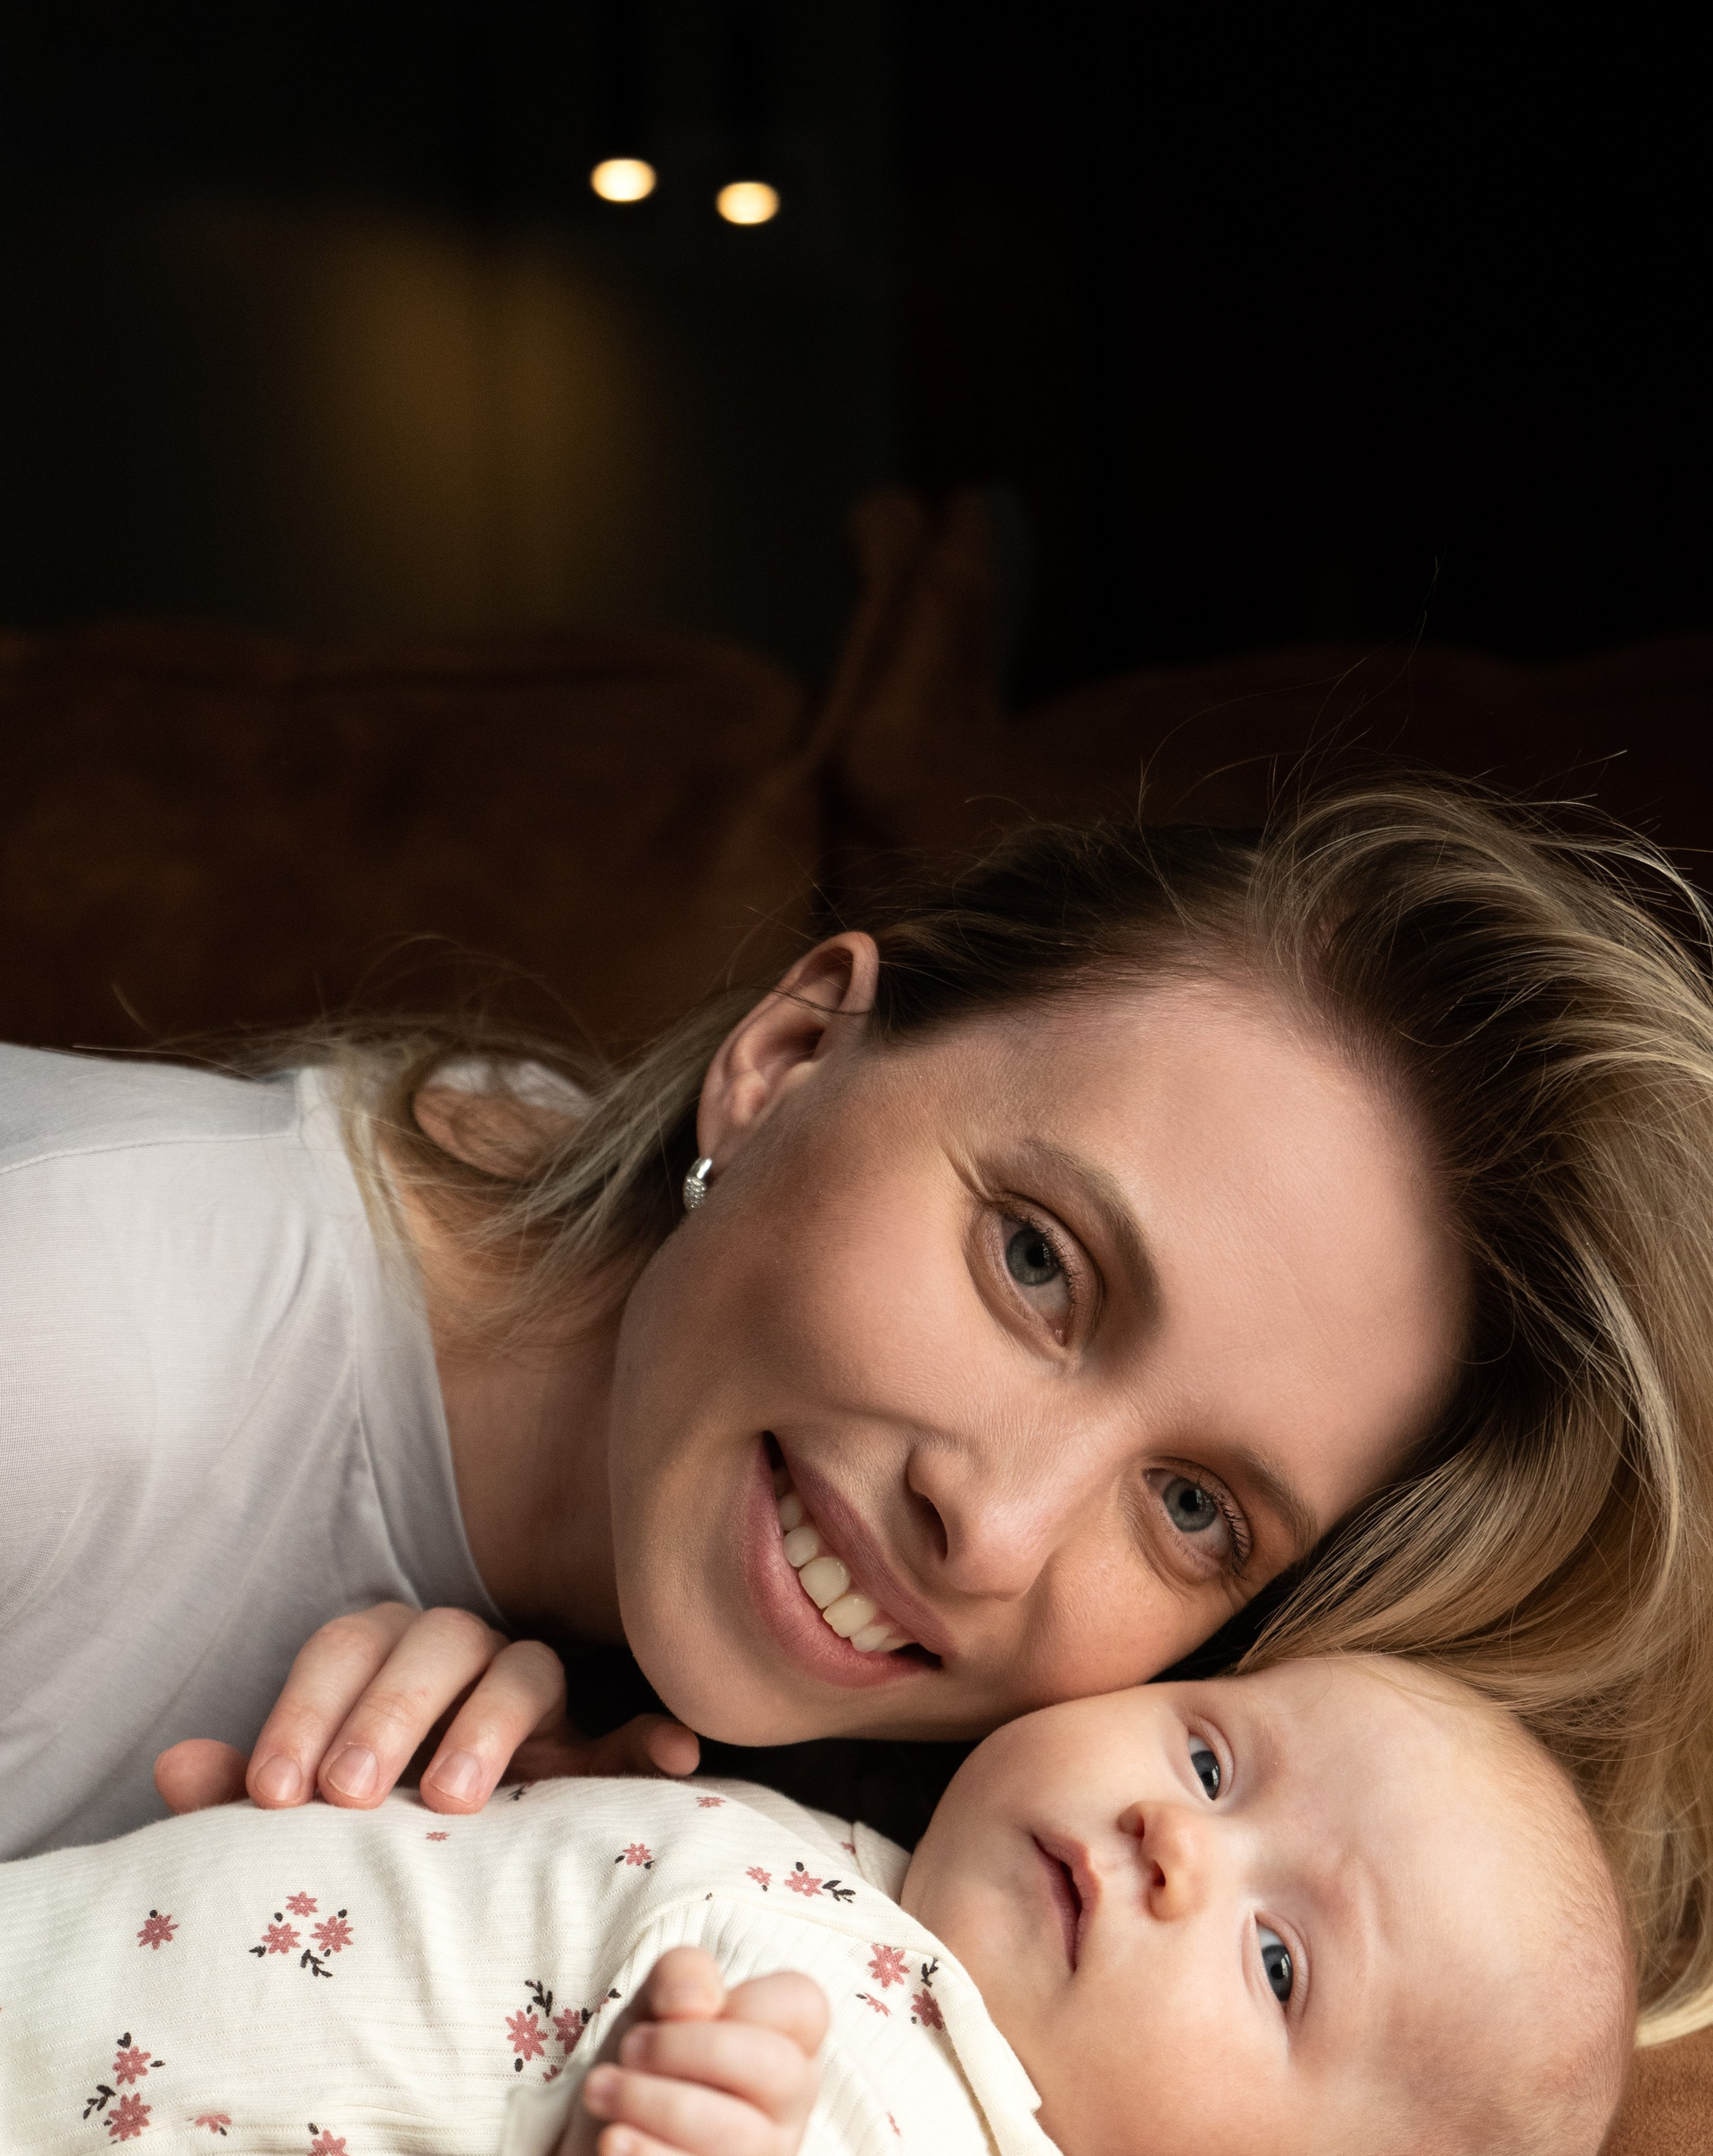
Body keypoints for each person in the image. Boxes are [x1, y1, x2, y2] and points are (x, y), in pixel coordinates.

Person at [4, 781, 1712, 2028]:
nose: (998, 1529)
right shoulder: (75, 1348)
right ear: (789, 1059)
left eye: (1194, 1506)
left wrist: (330, 1915)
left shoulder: (831, 1813)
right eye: (1037, 1264)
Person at [0, 1653, 1633, 2156]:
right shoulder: (861, 1870)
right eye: (1210, 1757)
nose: (1175, 1840)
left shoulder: (912, 2133)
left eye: (1278, 1961)